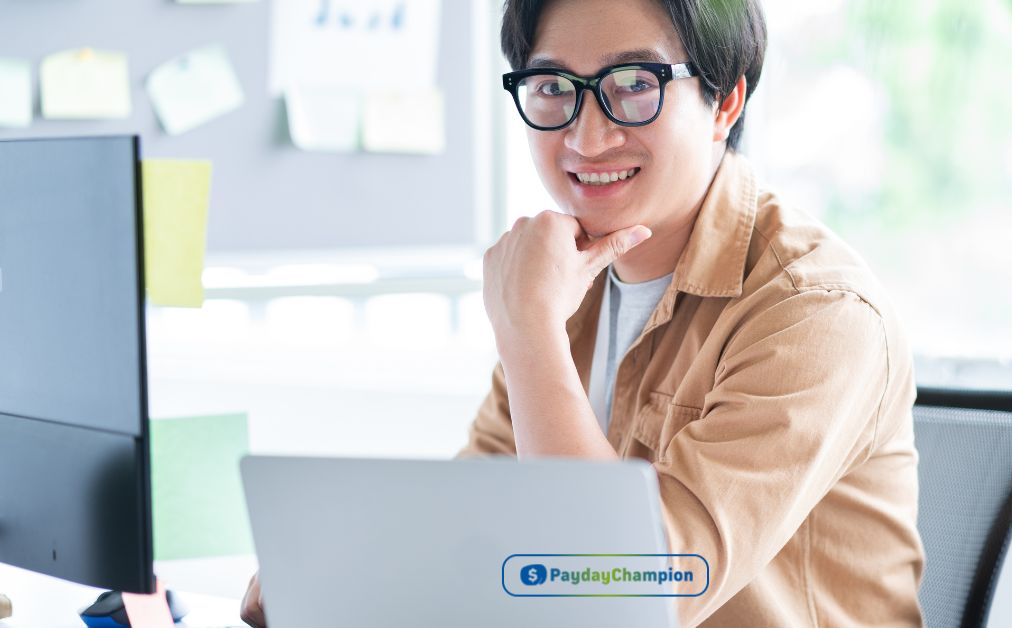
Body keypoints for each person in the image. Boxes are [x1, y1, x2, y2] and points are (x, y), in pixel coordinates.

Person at [242, 0, 925, 626]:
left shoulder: (815, 315)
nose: (587, 136)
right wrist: (337, 571)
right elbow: (471, 519)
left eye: (634, 84)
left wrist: (528, 330)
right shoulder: (569, 289)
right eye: (553, 89)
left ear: (727, 101)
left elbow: (627, 594)